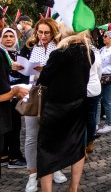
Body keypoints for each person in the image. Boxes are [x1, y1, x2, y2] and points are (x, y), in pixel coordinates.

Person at [36, 30, 95, 192]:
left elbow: (43, 79)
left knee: (46, 150)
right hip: (77, 107)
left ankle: (46, 190)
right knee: (77, 148)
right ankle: (73, 188)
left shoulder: (59, 54)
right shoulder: (89, 52)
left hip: (56, 109)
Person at [13, 18, 66, 192]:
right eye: (40, 32)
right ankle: (32, 174)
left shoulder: (60, 47)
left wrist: (46, 70)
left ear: (53, 32)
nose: (42, 36)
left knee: (53, 134)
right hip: (33, 94)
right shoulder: (29, 46)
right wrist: (18, 67)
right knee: (31, 137)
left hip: (53, 95)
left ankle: (55, 168)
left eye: (46, 33)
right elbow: (21, 70)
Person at [1, 28, 28, 169]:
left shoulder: (19, 55)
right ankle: (10, 156)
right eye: (5, 36)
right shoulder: (2, 54)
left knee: (14, 126)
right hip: (6, 95)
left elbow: (26, 73)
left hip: (17, 95)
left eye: (11, 36)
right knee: (7, 126)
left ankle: (11, 154)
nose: (8, 38)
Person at [96, 31, 111, 135]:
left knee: (108, 101)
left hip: (109, 78)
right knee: (97, 101)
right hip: (100, 77)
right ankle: (96, 123)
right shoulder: (102, 49)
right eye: (103, 36)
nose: (103, 38)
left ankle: (109, 124)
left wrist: (103, 70)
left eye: (105, 36)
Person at [85, 44, 102, 156]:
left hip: (87, 87)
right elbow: (100, 70)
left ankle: (87, 144)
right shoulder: (95, 50)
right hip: (94, 86)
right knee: (91, 117)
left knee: (84, 119)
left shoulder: (88, 50)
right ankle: (89, 142)